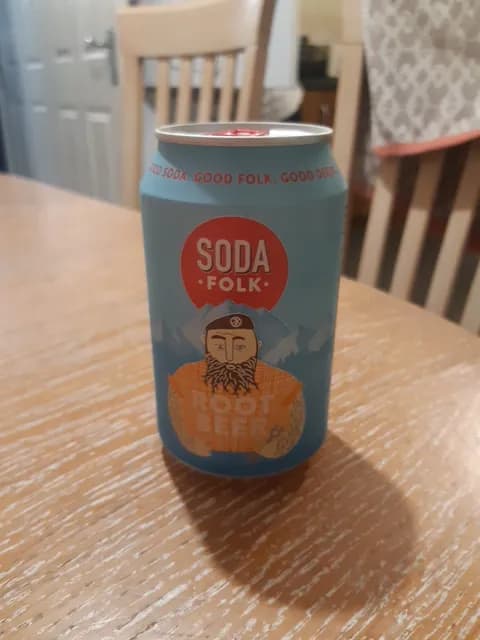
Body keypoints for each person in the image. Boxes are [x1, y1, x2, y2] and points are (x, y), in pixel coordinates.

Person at [168, 314, 305, 457]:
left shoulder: (285, 383)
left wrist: (275, 448)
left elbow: (292, 429)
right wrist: (192, 443)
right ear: (205, 343)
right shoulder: (185, 375)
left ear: (257, 347)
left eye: (240, 347)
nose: (229, 357)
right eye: (219, 346)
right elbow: (178, 417)